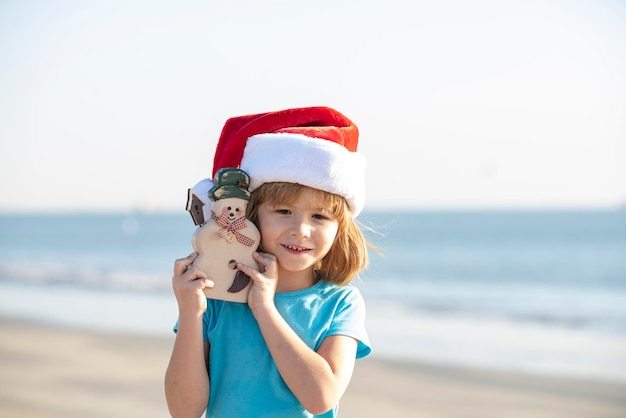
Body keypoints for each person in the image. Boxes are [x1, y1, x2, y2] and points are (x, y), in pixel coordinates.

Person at [165, 107, 373, 417]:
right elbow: (184, 410)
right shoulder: (216, 297)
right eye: (283, 212)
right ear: (252, 216)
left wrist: (264, 308)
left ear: (339, 229)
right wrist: (191, 314)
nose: (300, 230)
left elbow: (321, 397)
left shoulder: (340, 303)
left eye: (319, 216)